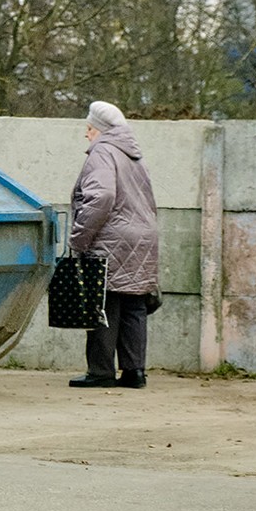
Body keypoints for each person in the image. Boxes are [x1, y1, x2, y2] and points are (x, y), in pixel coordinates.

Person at [67, 100, 160, 389]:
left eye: (89, 128)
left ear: (100, 130)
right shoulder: (134, 155)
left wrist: (79, 238)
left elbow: (101, 198)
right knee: (134, 304)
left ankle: (101, 371)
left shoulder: (102, 153)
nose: (86, 134)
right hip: (143, 237)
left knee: (104, 303)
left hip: (111, 237)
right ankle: (135, 372)